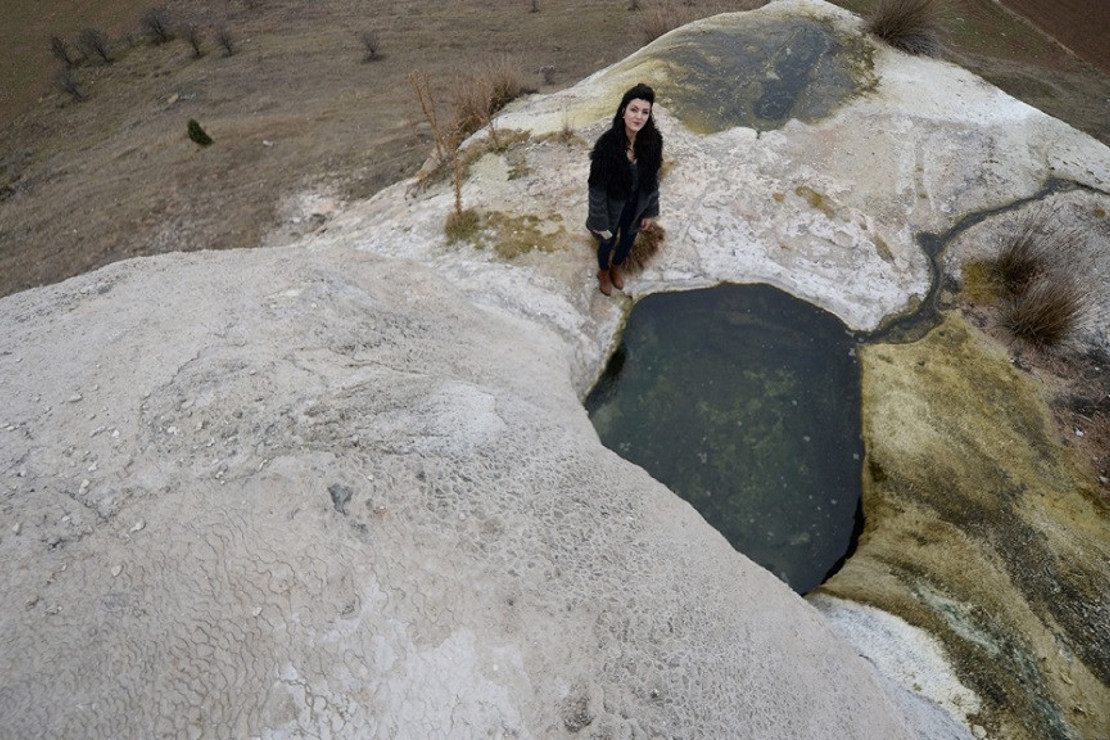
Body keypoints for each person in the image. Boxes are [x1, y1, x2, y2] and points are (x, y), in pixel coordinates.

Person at [586, 82, 663, 296]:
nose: (639, 117)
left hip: (636, 206)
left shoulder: (653, 141)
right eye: (634, 110)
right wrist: (599, 222)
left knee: (628, 240)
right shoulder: (607, 146)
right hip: (611, 207)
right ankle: (603, 271)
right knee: (606, 242)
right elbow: (596, 189)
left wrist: (649, 211)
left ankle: (616, 267)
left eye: (645, 112)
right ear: (623, 111)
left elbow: (652, 180)